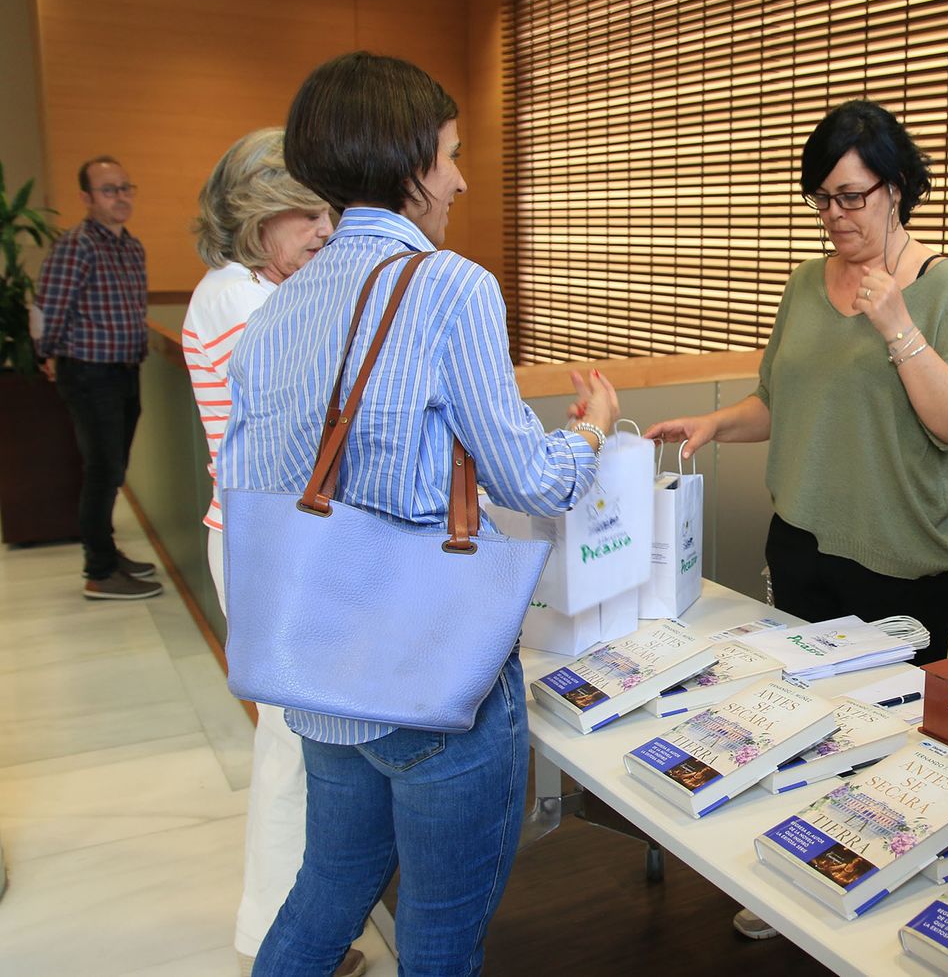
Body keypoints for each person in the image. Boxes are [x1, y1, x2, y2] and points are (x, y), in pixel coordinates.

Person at [216, 52, 619, 975]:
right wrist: (590, 435)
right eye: (449, 155)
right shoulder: (451, 287)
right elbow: (531, 481)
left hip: (322, 675)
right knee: (439, 937)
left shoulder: (278, 309)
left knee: (324, 893)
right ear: (406, 164)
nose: (460, 178)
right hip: (433, 684)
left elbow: (251, 480)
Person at [647, 99, 948, 665]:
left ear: (897, 187)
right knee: (803, 733)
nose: (835, 214)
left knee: (887, 742)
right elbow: (777, 401)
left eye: (852, 196)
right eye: (822, 197)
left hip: (902, 567)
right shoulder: (807, 281)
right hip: (800, 546)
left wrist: (899, 328)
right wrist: (712, 423)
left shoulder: (944, 286)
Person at [185, 129, 365, 977]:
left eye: (331, 214)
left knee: (294, 742)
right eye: (310, 215)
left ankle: (297, 932)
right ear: (257, 217)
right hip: (269, 549)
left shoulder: (244, 292)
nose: (325, 233)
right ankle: (285, 940)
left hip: (269, 542)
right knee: (292, 747)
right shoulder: (240, 303)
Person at [34, 156, 161, 599]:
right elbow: (47, 306)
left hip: (124, 371)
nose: (121, 197)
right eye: (110, 190)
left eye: (126, 188)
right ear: (87, 198)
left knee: (114, 468)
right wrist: (44, 352)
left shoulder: (131, 246)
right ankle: (99, 571)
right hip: (89, 373)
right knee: (102, 469)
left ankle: (108, 551)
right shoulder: (77, 245)